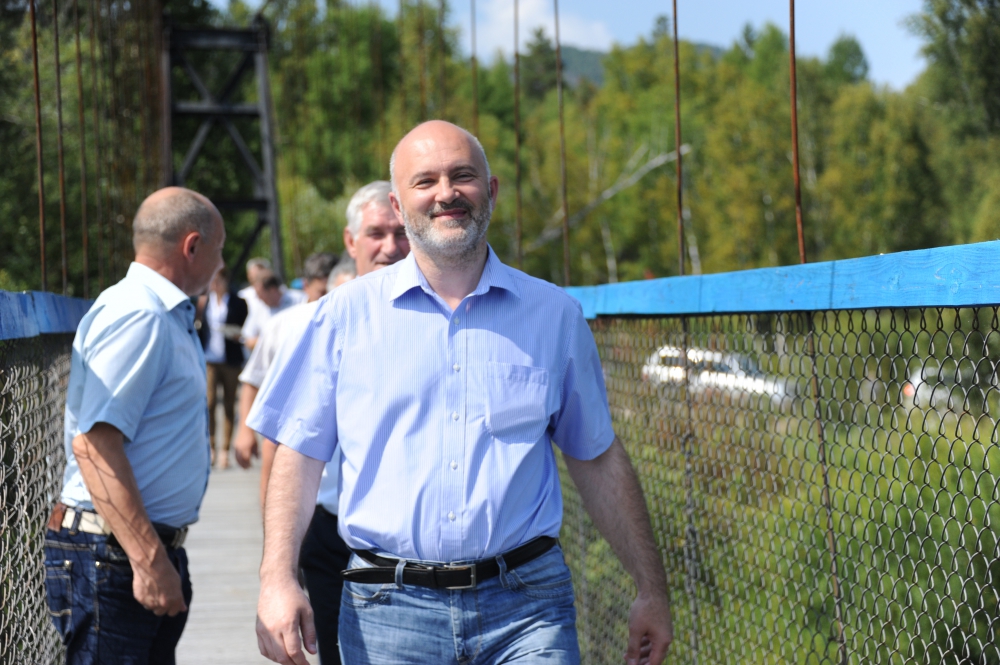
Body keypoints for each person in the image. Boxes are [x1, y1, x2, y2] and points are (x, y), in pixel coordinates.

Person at [248, 121, 674, 665]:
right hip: (388, 612)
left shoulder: (555, 317)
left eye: (462, 176)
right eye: (425, 181)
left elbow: (596, 455)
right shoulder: (341, 318)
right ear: (399, 206)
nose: (446, 193)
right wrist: (277, 579)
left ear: (490, 191)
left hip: (528, 609)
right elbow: (299, 454)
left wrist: (651, 590)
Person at [45, 186, 224, 664]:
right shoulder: (141, 315)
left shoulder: (159, 313)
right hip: (116, 554)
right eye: (220, 249)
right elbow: (94, 445)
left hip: (127, 549)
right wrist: (148, 560)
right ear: (192, 246)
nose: (221, 263)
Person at [237, 180, 409, 665]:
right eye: (376, 233)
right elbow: (281, 445)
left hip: (414, 545)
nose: (390, 246)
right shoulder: (307, 324)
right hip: (330, 531)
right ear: (351, 241)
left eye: (400, 232)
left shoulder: (450, 314)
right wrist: (277, 566)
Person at [197, 267, 248, 469]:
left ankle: (225, 450)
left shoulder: (238, 302)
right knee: (209, 403)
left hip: (230, 359)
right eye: (212, 280)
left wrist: (237, 334)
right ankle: (211, 447)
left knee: (228, 404)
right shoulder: (204, 301)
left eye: (218, 280)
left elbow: (244, 327)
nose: (215, 284)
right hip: (210, 358)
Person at [241, 269, 297, 351]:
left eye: (260, 293)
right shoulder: (259, 308)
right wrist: (269, 341)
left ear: (272, 290)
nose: (258, 298)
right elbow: (248, 339)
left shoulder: (298, 300)